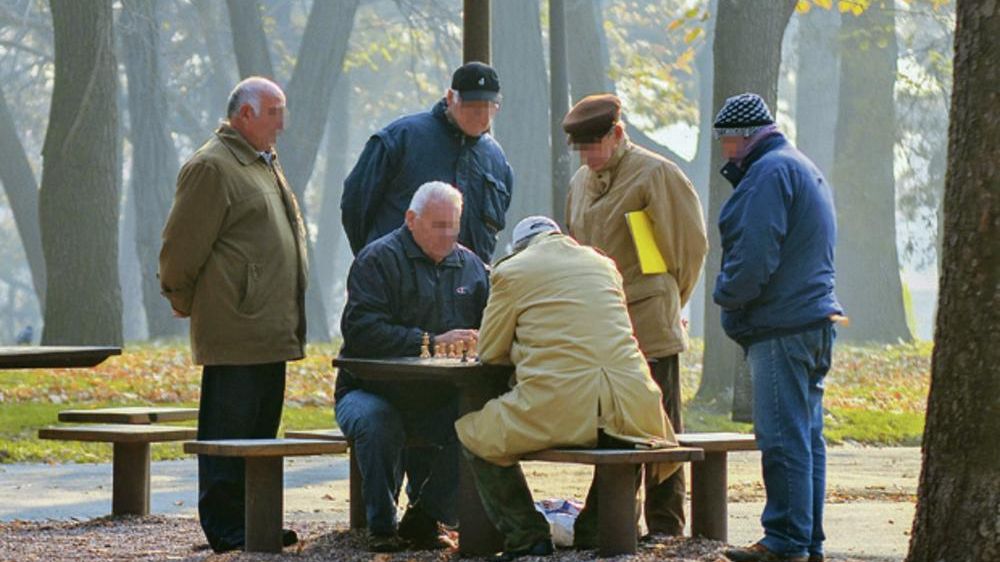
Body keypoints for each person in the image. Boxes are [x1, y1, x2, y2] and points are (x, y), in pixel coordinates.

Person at [456, 216, 679, 560]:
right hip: (633, 401)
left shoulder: (511, 271)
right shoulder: (604, 265)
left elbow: (490, 351)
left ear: (519, 248)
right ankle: (596, 530)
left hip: (559, 404)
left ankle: (527, 535)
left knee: (474, 434)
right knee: (628, 440)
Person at [159, 76, 307, 553]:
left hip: (270, 329)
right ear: (245, 114)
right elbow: (181, 247)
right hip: (237, 327)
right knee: (229, 436)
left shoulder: (263, 162)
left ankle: (255, 522)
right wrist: (181, 298)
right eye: (274, 112)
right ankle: (226, 526)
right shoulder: (212, 167)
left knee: (259, 436)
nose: (282, 123)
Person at [562, 93, 708, 537]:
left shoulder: (656, 174)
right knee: (609, 422)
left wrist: (669, 301)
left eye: (594, 145)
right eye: (581, 148)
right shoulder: (580, 183)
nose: (588, 156)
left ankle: (666, 523)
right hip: (603, 325)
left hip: (649, 321)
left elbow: (687, 249)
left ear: (618, 134)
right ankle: (611, 517)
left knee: (660, 425)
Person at [711, 93, 842, 562]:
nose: (724, 151)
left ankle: (785, 539)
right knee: (805, 437)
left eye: (726, 141)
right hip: (812, 321)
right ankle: (808, 539)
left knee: (782, 437)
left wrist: (725, 294)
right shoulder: (798, 166)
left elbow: (754, 257)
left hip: (781, 326)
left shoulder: (768, 174)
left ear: (744, 136)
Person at [336, 181, 490, 552]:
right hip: (370, 390)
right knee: (377, 421)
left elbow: (492, 324)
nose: (448, 235)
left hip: (438, 397)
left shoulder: (471, 267)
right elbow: (361, 331)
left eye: (453, 225)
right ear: (411, 219)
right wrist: (430, 342)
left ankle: (427, 515)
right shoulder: (377, 260)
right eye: (438, 225)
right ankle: (381, 526)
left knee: (485, 420)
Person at [341, 61, 514, 264]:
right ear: (450, 98)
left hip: (465, 282)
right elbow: (355, 204)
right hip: (394, 278)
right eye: (472, 106)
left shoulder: (497, 161)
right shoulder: (401, 138)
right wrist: (375, 263)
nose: (481, 115)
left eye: (489, 107)